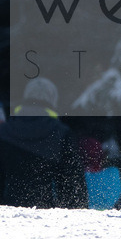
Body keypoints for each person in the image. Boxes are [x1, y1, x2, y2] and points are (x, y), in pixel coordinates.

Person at [0, 77, 87, 208]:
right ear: (53, 100)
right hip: (45, 216)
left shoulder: (4, 132)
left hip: (8, 216)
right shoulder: (61, 134)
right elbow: (73, 187)